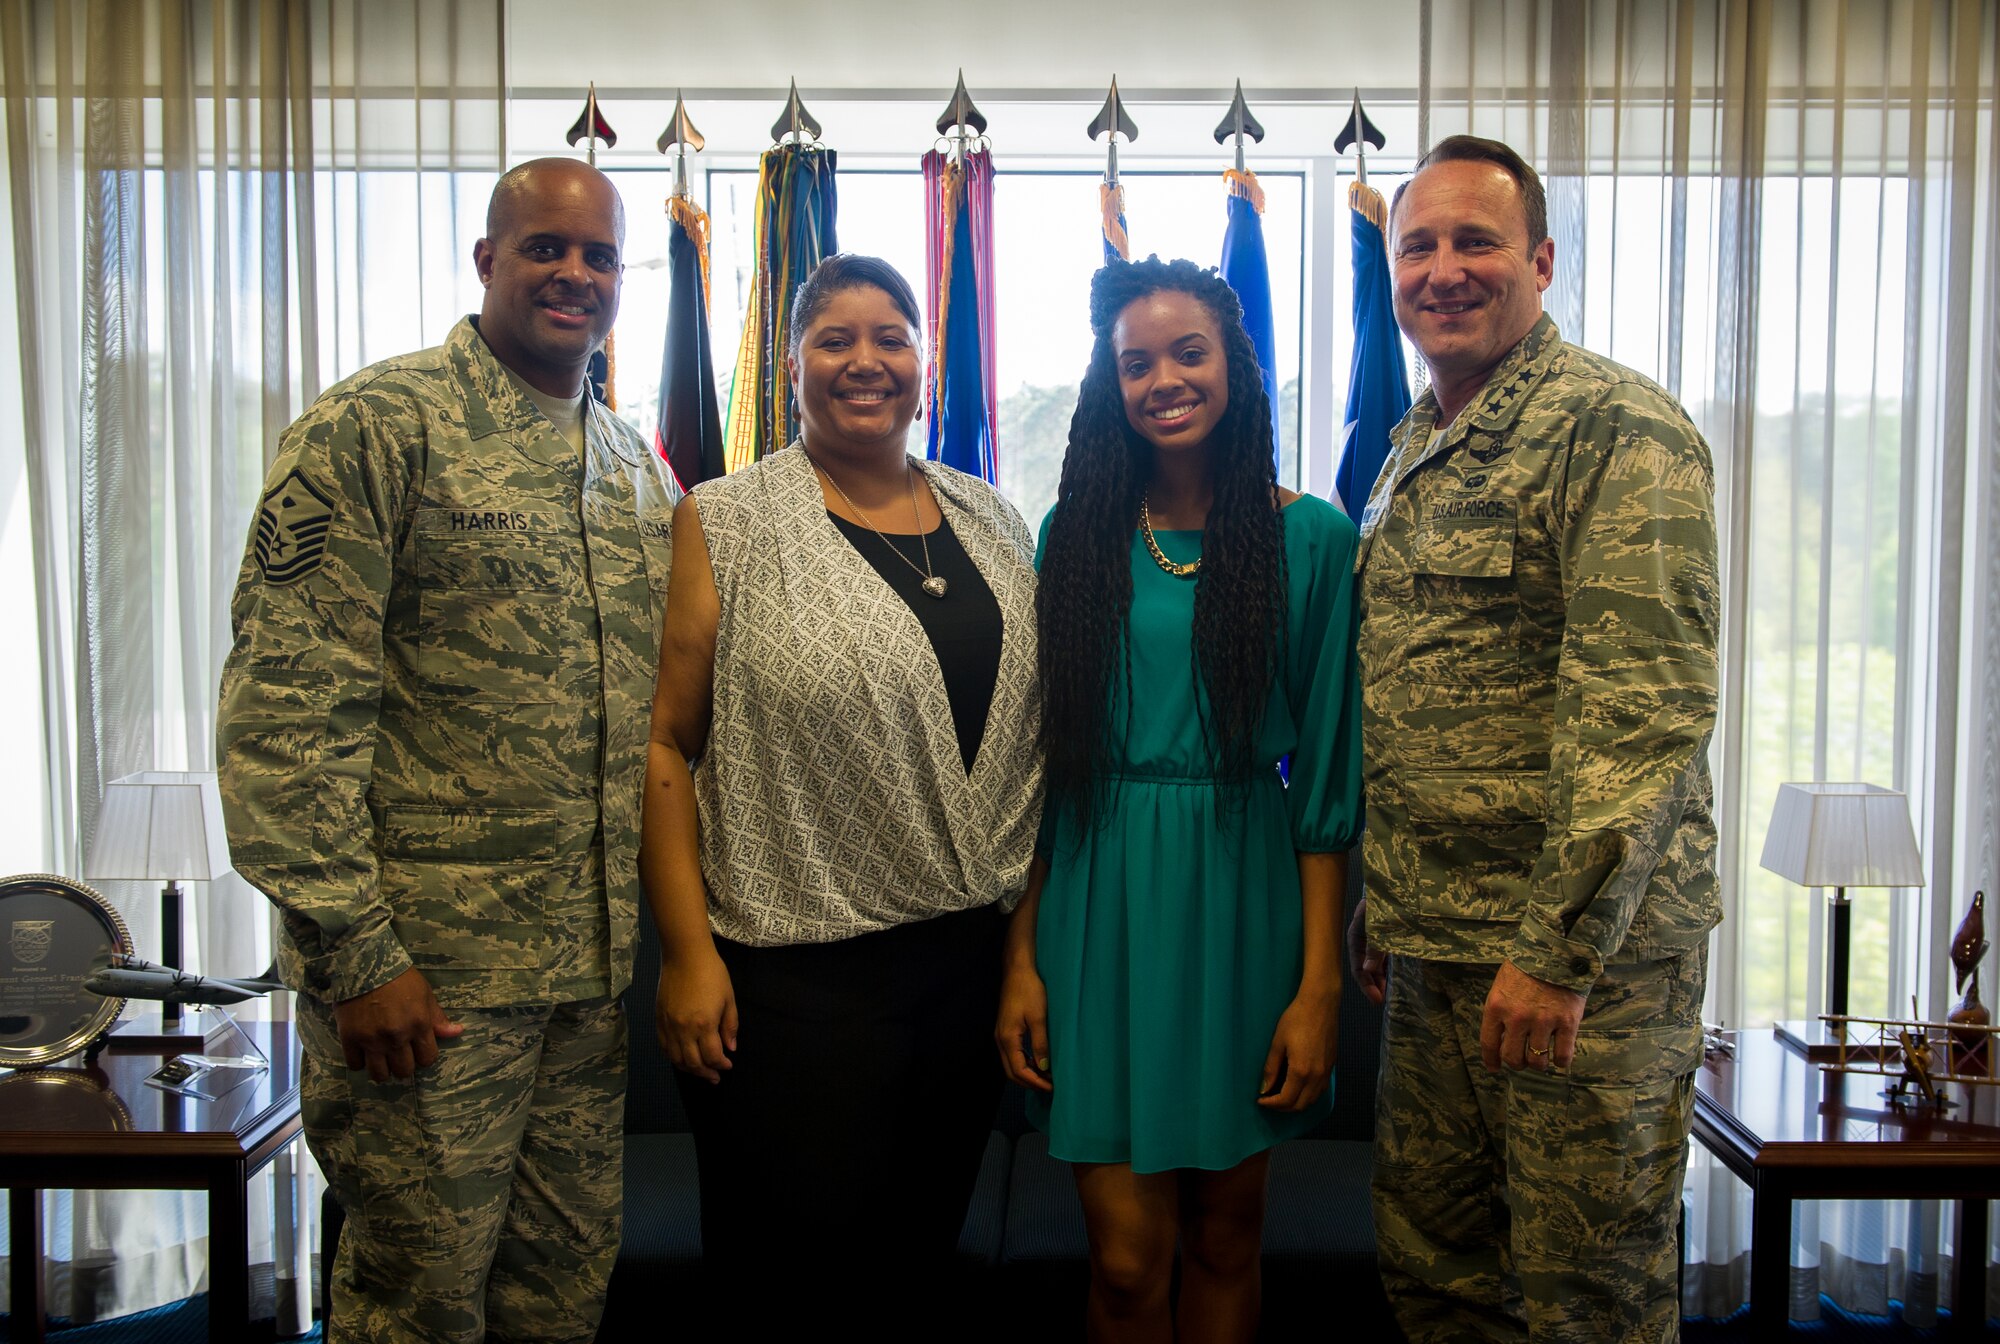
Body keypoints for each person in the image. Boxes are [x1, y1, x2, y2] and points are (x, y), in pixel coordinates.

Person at [217, 158, 678, 1344]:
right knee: (416, 1307)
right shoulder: (377, 426)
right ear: (488, 260)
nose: (574, 274)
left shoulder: (633, 470)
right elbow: (287, 710)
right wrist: (356, 954)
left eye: (598, 257)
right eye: (544, 248)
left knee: (560, 1302)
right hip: (428, 988)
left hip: (585, 986)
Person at [1346, 134, 1720, 1344]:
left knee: (1582, 1302)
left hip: (1575, 975)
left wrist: (1555, 956)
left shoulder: (1613, 429)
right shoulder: (1413, 443)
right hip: (1436, 947)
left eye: (1475, 241)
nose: (1442, 270)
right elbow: (1422, 687)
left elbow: (1641, 711)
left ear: (1540, 260)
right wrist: (1382, 900)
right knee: (1435, 1276)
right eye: (1417, 245)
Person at [640, 254, 1041, 1335]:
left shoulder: (994, 519)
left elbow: (1037, 763)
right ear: (792, 364)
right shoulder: (725, 520)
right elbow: (666, 745)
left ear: (925, 362)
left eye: (891, 338)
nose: (865, 362)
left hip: (961, 977)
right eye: (834, 339)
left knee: (914, 1274)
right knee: (791, 1288)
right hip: (787, 988)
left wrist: (1018, 961)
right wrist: (685, 956)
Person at [998, 257, 1363, 1343]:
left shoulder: (1311, 541)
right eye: (1135, 362)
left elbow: (1325, 795)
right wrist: (1019, 961)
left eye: (1186, 352)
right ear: (1109, 384)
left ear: (1233, 367)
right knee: (1122, 1261)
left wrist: (1317, 991)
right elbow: (1043, 771)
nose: (1163, 377)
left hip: (1242, 911)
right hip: (1095, 909)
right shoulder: (1073, 532)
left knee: (1221, 1239)